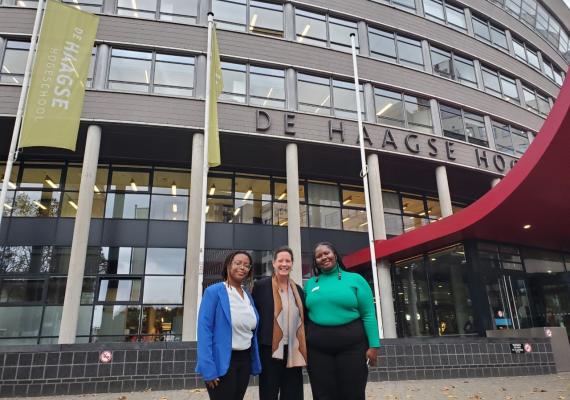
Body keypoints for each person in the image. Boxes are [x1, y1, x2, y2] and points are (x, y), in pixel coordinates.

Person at [304, 242, 380, 400]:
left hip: (352, 348)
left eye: (327, 253)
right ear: (315, 261)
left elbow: (368, 314)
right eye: (319, 256)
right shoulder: (310, 284)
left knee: (352, 392)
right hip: (317, 350)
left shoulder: (355, 279)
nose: (324, 257)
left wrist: (374, 346)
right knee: (322, 393)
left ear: (335, 255)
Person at [196, 251, 261, 400]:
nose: (242, 267)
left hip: (244, 360)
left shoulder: (247, 295)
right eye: (238, 263)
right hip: (222, 362)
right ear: (228, 266)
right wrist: (208, 369)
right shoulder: (214, 292)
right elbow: (204, 330)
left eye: (246, 265)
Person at [252, 246, 307, 400]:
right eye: (280, 260)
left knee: (293, 393)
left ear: (292, 264)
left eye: (288, 261)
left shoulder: (298, 290)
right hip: (269, 350)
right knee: (269, 393)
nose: (284, 264)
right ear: (274, 263)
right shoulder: (261, 286)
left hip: (293, 350)